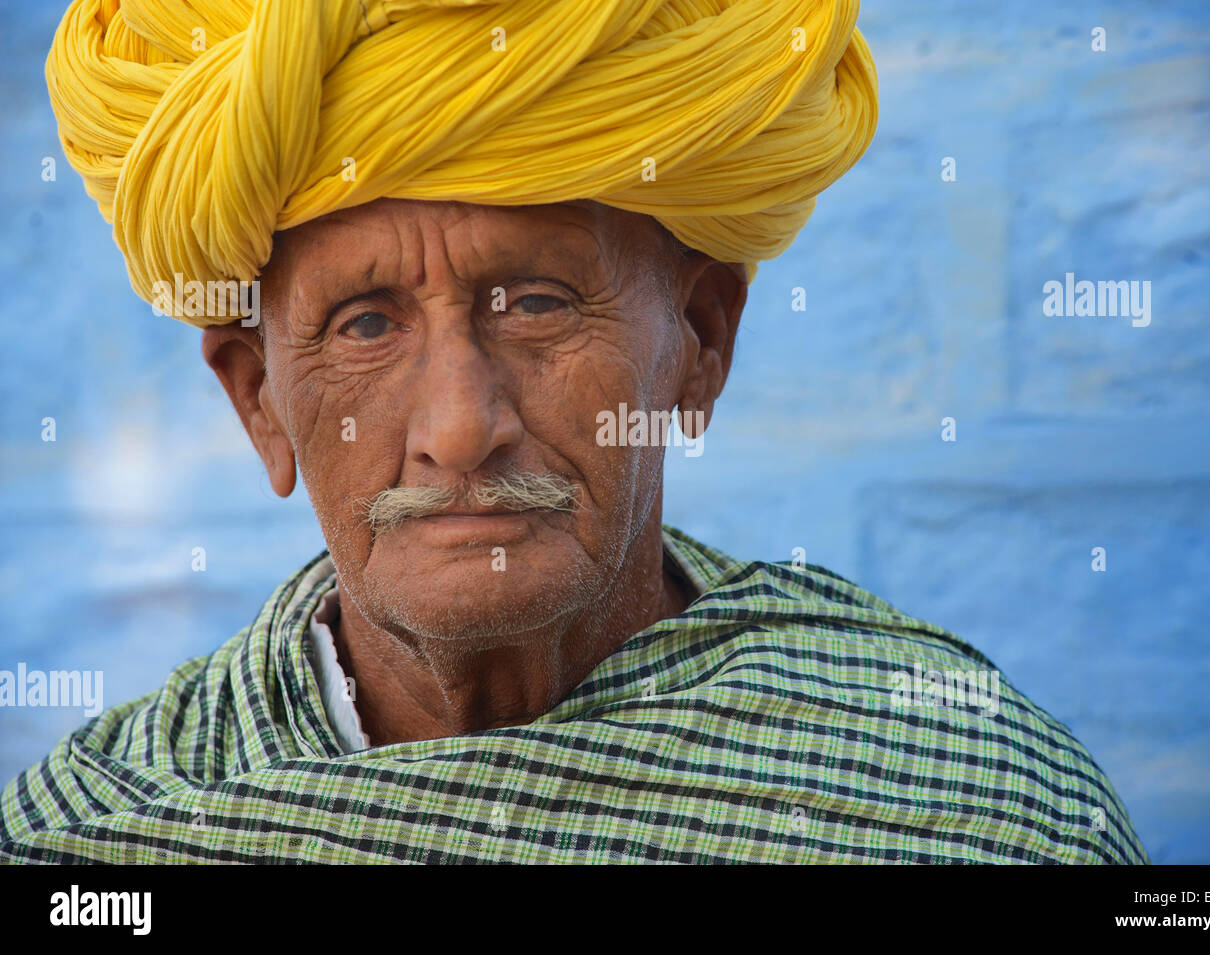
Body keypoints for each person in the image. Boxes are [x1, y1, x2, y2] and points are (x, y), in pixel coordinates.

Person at [2, 0, 1148, 863]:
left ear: (700, 339)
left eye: (537, 305)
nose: (460, 430)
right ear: (258, 398)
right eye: (364, 324)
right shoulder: (99, 836)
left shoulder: (962, 799)